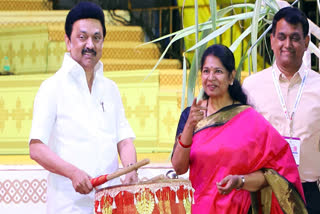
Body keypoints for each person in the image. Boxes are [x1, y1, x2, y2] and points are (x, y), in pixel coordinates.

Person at [28, 2, 138, 213]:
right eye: (82, 37)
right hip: (69, 206)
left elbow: (124, 140)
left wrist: (130, 168)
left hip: (110, 204)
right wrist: (73, 173)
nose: (90, 44)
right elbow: (36, 148)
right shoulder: (52, 87)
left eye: (96, 38)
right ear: (68, 41)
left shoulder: (110, 89)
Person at [171, 44, 307, 213]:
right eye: (206, 71)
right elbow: (179, 168)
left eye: (218, 71)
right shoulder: (190, 115)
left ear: (231, 77)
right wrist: (189, 126)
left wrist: (240, 181)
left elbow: (275, 172)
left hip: (240, 208)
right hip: (200, 207)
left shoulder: (249, 120)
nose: (211, 77)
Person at [242, 7, 320, 214]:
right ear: (272, 41)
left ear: (306, 42)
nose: (287, 45)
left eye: (295, 38)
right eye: (282, 37)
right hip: (265, 193)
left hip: (308, 194)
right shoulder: (251, 87)